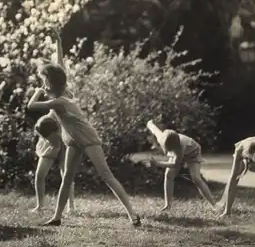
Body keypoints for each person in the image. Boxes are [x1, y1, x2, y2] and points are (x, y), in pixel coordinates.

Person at [27, 27, 141, 227]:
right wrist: (58, 43)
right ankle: (57, 217)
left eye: (45, 82)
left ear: (52, 84)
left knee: (106, 175)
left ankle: (133, 215)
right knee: (67, 177)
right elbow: (60, 67)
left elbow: (31, 106)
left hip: (86, 136)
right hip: (72, 139)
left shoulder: (59, 102)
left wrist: (37, 91)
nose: (43, 85)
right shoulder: (64, 91)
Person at [146, 120, 216, 211]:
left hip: (193, 153)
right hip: (177, 154)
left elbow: (175, 164)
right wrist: (150, 123)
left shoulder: (180, 147)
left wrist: (158, 164)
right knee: (168, 175)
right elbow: (153, 128)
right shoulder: (162, 137)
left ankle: (214, 205)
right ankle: (168, 205)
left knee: (196, 178)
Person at [216, 136, 255, 218]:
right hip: (247, 151)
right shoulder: (240, 150)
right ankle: (227, 210)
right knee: (233, 177)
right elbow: (233, 177)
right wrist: (227, 211)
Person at [32, 112, 75, 213]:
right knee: (40, 174)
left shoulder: (66, 114)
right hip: (50, 143)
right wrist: (47, 140)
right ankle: (40, 206)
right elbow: (38, 129)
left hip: (65, 142)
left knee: (66, 173)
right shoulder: (45, 123)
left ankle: (71, 206)